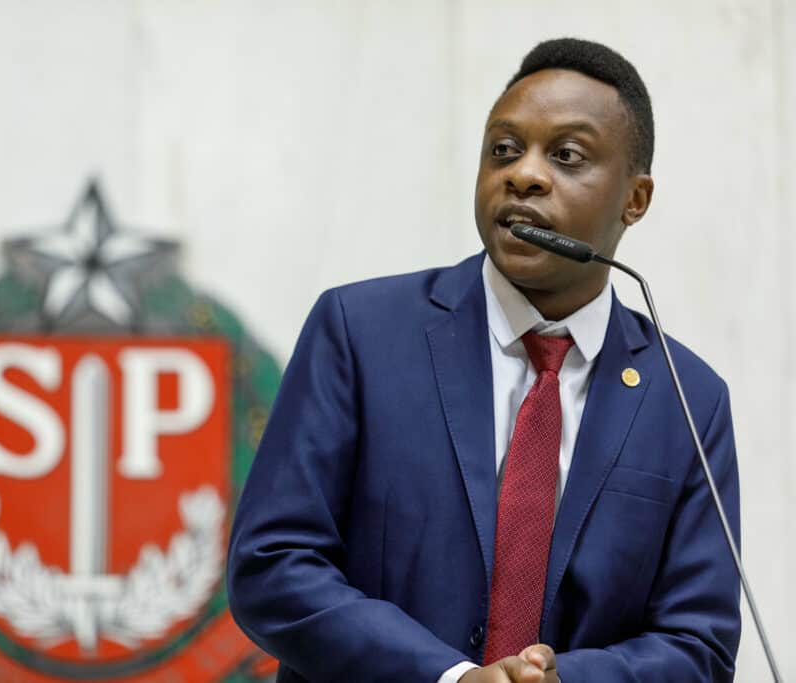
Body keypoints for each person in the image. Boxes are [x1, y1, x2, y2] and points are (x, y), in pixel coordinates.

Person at [226, 38, 741, 683]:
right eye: (504, 149)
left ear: (634, 199)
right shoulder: (359, 333)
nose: (523, 174)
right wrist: (449, 677)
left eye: (566, 155)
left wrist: (564, 681)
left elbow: (698, 644)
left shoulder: (688, 398)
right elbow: (272, 565)